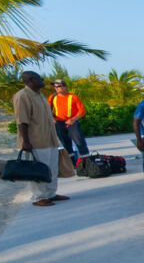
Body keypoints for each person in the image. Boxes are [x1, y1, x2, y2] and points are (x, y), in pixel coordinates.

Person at [12, 71, 70, 206]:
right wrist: (26, 141)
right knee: (38, 169)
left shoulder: (40, 95)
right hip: (35, 141)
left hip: (49, 138)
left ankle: (50, 194)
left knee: (52, 168)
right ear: (31, 81)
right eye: (40, 78)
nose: (43, 80)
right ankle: (39, 197)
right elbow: (22, 121)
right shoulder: (22, 96)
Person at [48, 79, 90, 164]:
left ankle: (86, 161)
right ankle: (71, 163)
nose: (56, 88)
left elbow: (82, 111)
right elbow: (47, 110)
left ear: (65, 87)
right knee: (65, 143)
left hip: (72, 123)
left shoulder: (73, 97)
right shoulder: (52, 97)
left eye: (59, 86)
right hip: (59, 123)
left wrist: (73, 119)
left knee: (79, 142)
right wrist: (52, 118)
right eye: (55, 86)